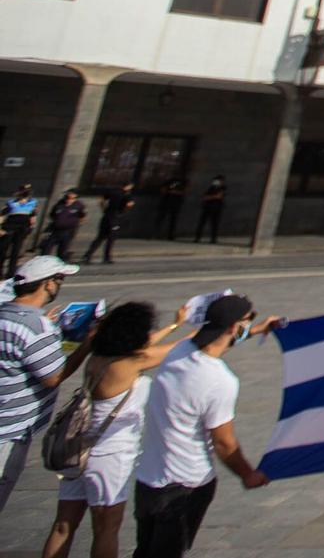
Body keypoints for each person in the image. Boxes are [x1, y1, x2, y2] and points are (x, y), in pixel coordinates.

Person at [41, 300, 194, 558]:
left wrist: (175, 324)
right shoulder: (133, 362)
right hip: (110, 455)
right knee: (106, 529)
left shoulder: (98, 355)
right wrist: (216, 325)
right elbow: (186, 346)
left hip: (77, 452)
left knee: (63, 526)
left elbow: (147, 345)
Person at [132, 295, 279, 557]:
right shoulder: (220, 380)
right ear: (234, 326)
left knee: (144, 550)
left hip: (147, 480)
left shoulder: (179, 352)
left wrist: (257, 330)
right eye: (248, 320)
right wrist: (247, 474)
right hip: (186, 485)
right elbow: (224, 443)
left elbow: (214, 343)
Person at [0, 256, 93, 510]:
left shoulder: (6, 314)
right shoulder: (35, 326)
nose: (59, 285)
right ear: (47, 284)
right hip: (9, 431)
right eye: (59, 279)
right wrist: (87, 344)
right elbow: (53, 376)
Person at [82, 184, 134, 265]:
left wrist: (104, 209)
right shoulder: (126, 195)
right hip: (115, 218)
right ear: (128, 186)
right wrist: (123, 212)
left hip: (106, 216)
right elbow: (130, 204)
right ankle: (107, 257)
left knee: (100, 237)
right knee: (111, 239)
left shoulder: (112, 191)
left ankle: (87, 255)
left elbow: (101, 200)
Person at [41, 192, 87, 262]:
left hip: (68, 231)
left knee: (62, 250)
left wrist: (76, 224)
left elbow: (82, 216)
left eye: (72, 198)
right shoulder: (59, 205)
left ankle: (60, 265)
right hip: (55, 230)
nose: (69, 200)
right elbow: (52, 215)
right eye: (67, 198)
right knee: (46, 248)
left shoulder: (78, 206)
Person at [4, 185, 39, 274]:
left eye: (27, 191)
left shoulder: (32, 203)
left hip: (22, 229)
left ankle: (10, 274)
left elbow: (33, 216)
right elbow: (2, 214)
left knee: (15, 253)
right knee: (2, 250)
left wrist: (31, 227)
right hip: (9, 228)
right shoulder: (12, 203)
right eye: (24, 191)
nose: (25, 193)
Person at [193, 177, 225, 244]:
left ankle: (213, 239)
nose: (216, 182)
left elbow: (219, 196)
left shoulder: (222, 188)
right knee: (202, 223)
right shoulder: (211, 188)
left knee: (214, 224)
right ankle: (197, 238)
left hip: (216, 208)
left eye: (218, 181)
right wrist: (212, 197)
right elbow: (204, 197)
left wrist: (209, 197)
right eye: (216, 181)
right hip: (207, 208)